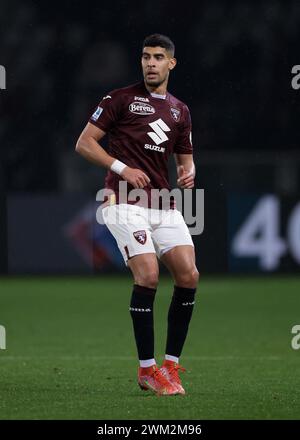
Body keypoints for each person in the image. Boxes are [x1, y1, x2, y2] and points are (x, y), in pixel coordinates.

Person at [76, 34, 199, 396]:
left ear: (171, 63)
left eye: (158, 57)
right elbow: (84, 143)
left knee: (189, 275)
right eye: (146, 57)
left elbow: (185, 158)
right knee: (147, 276)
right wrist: (122, 167)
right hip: (123, 200)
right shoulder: (120, 99)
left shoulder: (180, 110)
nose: (150, 63)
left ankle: (171, 366)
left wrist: (189, 172)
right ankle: (147, 371)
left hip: (163, 203)